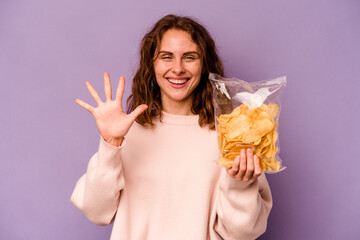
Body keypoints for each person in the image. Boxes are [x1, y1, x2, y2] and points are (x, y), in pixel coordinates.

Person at [70, 14, 272, 240]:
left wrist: (239, 184)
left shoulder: (232, 137)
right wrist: (110, 145)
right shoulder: (127, 134)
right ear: (152, 65)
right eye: (167, 57)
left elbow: (241, 233)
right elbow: (96, 212)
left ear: (204, 65)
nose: (177, 68)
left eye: (189, 57)